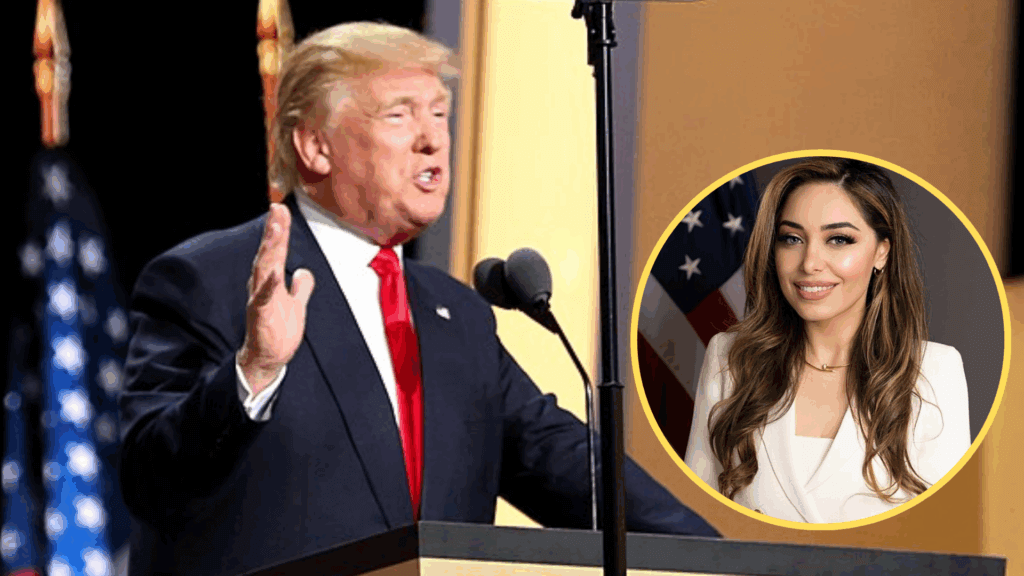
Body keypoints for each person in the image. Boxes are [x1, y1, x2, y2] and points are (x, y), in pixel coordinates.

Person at [118, 22, 718, 576]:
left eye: (439, 113)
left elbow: (564, 464)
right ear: (315, 146)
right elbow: (149, 483)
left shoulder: (459, 316)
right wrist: (253, 372)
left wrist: (722, 560)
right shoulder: (212, 281)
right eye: (399, 115)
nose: (433, 140)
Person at [683, 157, 971, 524]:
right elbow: (694, 520)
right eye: (792, 239)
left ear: (881, 251)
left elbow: (945, 528)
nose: (810, 263)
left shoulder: (934, 370)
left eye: (838, 239)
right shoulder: (730, 358)